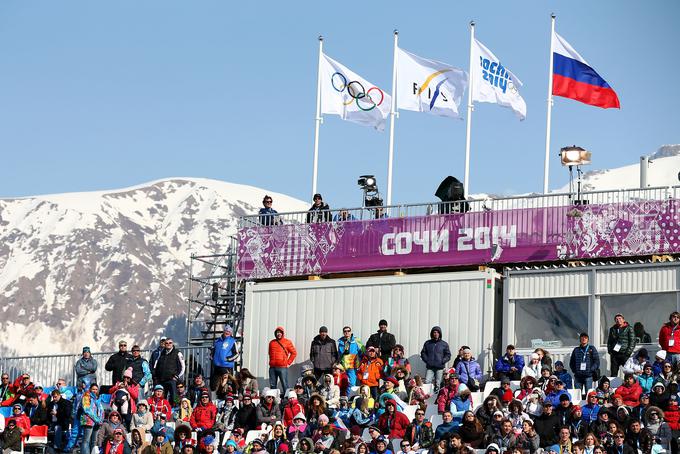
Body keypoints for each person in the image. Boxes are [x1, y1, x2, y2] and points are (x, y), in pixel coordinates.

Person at [420, 326, 451, 393]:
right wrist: (427, 360)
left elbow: (448, 355)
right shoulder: (427, 343)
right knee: (427, 381)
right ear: (432, 334)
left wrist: (442, 361)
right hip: (430, 367)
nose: (436, 334)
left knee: (438, 383)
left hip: (440, 367)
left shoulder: (444, 344)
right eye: (434, 332)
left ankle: (436, 398)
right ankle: (427, 396)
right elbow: (423, 353)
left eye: (437, 332)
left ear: (440, 334)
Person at [154, 338, 186, 405]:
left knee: (175, 397)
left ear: (172, 344)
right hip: (162, 380)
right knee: (163, 398)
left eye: (170, 343)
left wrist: (177, 376)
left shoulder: (178, 353)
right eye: (166, 343)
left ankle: (177, 410)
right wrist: (156, 377)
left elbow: (183, 366)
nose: (168, 344)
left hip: (172, 380)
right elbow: (156, 365)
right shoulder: (161, 353)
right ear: (164, 344)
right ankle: (163, 411)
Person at [268, 326, 297, 392]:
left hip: (282, 367)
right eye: (277, 332)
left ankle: (287, 399)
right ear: (275, 333)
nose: (279, 334)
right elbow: (270, 353)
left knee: (285, 384)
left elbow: (294, 353)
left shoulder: (287, 342)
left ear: (282, 333)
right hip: (272, 367)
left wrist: (288, 362)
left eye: (280, 332)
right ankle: (273, 399)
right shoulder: (271, 343)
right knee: (272, 385)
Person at [79, 383, 104, 454]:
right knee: (86, 440)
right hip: (88, 421)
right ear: (90, 389)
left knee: (94, 441)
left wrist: (101, 419)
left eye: (96, 389)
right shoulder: (86, 396)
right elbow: (86, 409)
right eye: (93, 389)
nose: (95, 391)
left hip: (97, 422)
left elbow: (101, 409)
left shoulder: (98, 398)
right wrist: (96, 419)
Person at [212, 325, 238, 390]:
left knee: (226, 385)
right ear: (223, 331)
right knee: (213, 385)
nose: (227, 332)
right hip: (217, 365)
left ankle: (227, 398)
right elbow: (214, 350)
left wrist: (228, 359)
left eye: (229, 331)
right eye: (226, 331)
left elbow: (236, 354)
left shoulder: (232, 341)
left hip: (226, 366)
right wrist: (212, 356)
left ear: (231, 333)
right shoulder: (218, 341)